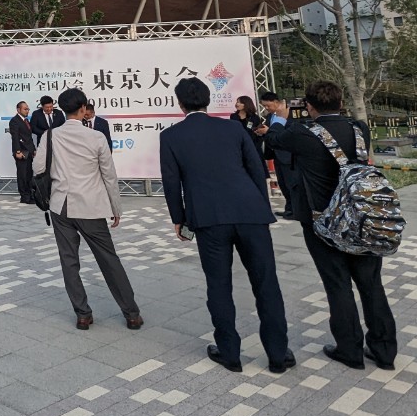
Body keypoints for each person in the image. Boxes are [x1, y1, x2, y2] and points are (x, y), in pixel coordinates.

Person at [161, 78, 294, 374]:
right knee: (266, 283)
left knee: (219, 285)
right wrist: (262, 207)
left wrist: (178, 219)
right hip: (250, 213)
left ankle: (230, 353)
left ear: (180, 104)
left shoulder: (170, 136)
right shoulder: (233, 128)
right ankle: (277, 355)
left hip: (208, 218)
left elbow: (171, 182)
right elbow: (256, 168)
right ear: (208, 100)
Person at [265, 81, 398, 371]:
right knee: (371, 284)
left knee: (338, 285)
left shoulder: (302, 133)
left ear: (309, 106)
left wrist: (281, 117)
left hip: (322, 221)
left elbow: (274, 139)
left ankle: (349, 350)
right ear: (340, 103)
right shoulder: (359, 129)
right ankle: (384, 351)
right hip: (363, 217)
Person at [33, 88, 143, 331]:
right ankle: (131, 314)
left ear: (62, 109)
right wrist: (116, 207)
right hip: (91, 207)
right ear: (83, 109)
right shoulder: (96, 137)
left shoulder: (50, 136)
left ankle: (82, 314)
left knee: (69, 261)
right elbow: (109, 175)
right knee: (109, 260)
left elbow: (38, 167)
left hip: (61, 206)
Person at [256, 91, 295, 218]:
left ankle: (295, 210)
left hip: (288, 154)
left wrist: (269, 131)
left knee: (291, 184)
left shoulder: (289, 114)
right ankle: (289, 208)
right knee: (282, 184)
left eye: (268, 105)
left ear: (276, 102)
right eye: (264, 106)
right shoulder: (270, 116)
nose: (266, 108)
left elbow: (290, 132)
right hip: (276, 154)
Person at [8, 100, 36, 204]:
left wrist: (33, 149)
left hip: (29, 151)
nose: (27, 110)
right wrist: (17, 151)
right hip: (21, 151)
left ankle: (29, 194)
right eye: (25, 109)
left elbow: (29, 137)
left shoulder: (26, 120)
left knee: (28, 174)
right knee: (22, 175)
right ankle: (24, 197)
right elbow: (15, 137)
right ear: (18, 110)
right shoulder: (14, 121)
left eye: (28, 109)